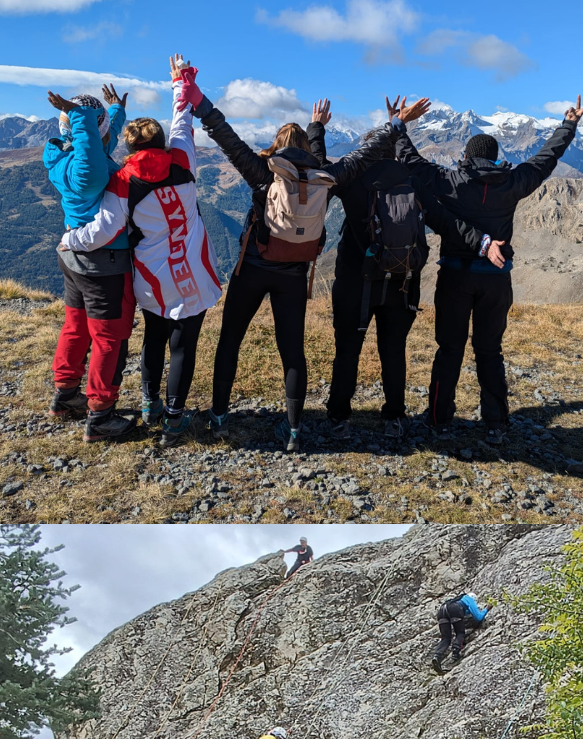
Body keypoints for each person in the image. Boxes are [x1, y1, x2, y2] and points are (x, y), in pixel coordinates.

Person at [181, 65, 429, 453]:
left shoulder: (264, 172)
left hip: (253, 269)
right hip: (294, 274)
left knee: (230, 341)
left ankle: (219, 417)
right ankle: (295, 430)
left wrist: (197, 101)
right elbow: (365, 154)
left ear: (277, 146)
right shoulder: (326, 178)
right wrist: (396, 124)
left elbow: (225, 136)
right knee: (292, 350)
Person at [392, 94, 583, 443]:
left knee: (449, 349)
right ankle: (497, 425)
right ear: (496, 157)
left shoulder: (449, 180)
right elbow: (547, 158)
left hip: (456, 275)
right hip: (497, 281)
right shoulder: (514, 182)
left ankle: (439, 419)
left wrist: (398, 124)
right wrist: (569, 125)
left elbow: (411, 161)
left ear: (466, 157)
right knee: (489, 351)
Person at [61, 56, 223, 448]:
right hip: (195, 271)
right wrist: (179, 81)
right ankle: (173, 419)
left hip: (152, 276)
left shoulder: (122, 179)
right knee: (184, 345)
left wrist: (71, 240)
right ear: (161, 141)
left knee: (154, 337)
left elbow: (104, 230)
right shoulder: (182, 158)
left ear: (131, 146)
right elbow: (183, 117)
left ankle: (149, 405)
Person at [321, 125, 504, 441]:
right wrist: (483, 242)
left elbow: (321, 178)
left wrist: (317, 132)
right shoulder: (412, 180)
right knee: (393, 350)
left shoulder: (353, 179)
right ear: (395, 151)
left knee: (348, 349)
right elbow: (446, 222)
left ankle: (338, 415)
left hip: (356, 283)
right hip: (402, 284)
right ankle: (394, 417)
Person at [43, 85, 135, 440]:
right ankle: (100, 414)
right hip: (102, 263)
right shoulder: (89, 173)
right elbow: (95, 151)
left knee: (75, 326)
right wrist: (84, 114)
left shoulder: (61, 158)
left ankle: (65, 394)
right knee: (108, 338)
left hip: (73, 260)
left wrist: (114, 112)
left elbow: (98, 145)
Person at [432, 593, 489, 673]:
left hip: (442, 610)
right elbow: (478, 617)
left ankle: (436, 656)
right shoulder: (469, 599)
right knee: (460, 633)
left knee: (446, 638)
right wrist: (487, 609)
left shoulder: (458, 599)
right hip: (454, 609)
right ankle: (456, 652)